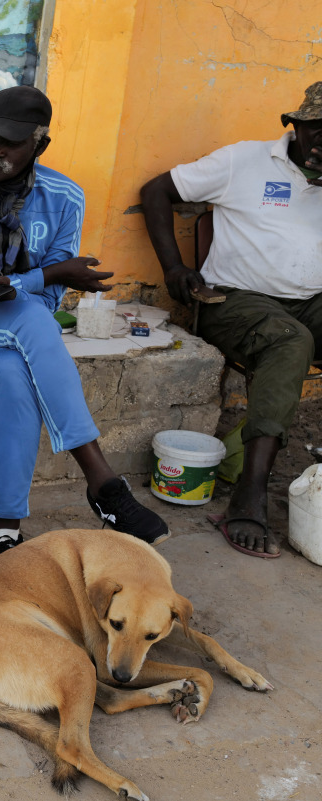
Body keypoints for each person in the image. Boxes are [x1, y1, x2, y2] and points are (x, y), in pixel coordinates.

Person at [0, 85, 169, 559]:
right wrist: (48, 272)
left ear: (40, 145)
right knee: (26, 322)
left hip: (15, 329)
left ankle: (5, 522)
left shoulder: (66, 196)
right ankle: (102, 482)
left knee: (13, 365)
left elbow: (46, 302)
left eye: (9, 142)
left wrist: (33, 283)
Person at [140, 82, 322, 558]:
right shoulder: (245, 160)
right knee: (291, 342)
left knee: (295, 332)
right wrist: (175, 268)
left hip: (311, 300)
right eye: (318, 130)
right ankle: (250, 493)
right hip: (233, 301)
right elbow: (156, 189)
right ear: (297, 127)